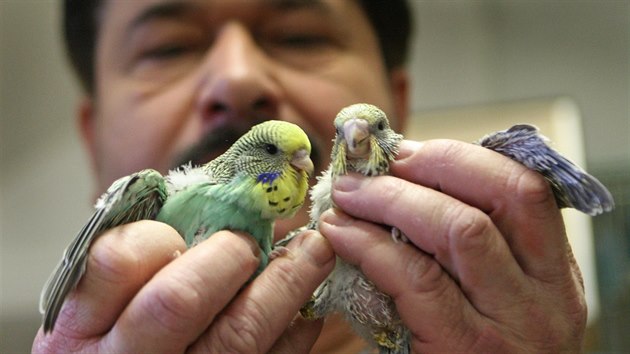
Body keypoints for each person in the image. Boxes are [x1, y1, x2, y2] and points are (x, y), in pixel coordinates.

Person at [33, 0, 587, 352]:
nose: (237, 77)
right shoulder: (159, 187)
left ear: (394, 105)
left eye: (299, 37)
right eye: (170, 47)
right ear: (92, 133)